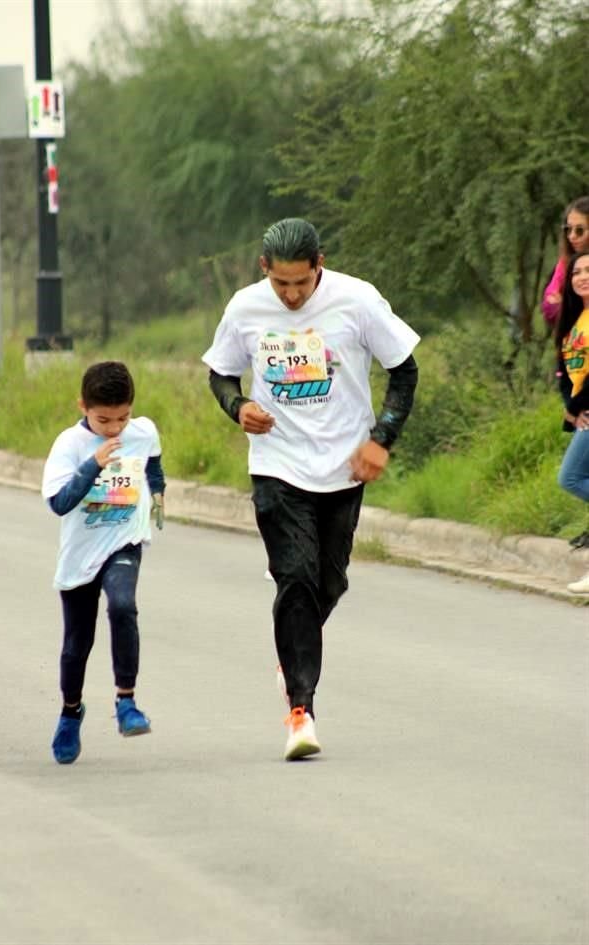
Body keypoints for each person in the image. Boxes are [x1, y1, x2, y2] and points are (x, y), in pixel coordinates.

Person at [202, 218, 420, 760]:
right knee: (295, 577)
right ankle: (301, 710)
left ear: (319, 264)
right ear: (264, 270)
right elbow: (221, 374)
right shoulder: (245, 308)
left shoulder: (358, 300)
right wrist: (239, 408)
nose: (293, 295)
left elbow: (405, 370)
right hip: (277, 464)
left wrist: (381, 439)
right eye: (282, 285)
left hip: (345, 466)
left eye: (302, 282)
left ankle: (292, 646)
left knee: (330, 581)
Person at [42, 361, 166, 763]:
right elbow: (60, 503)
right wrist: (94, 462)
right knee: (77, 645)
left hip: (124, 541)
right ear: (83, 406)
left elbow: (152, 458)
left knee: (124, 605)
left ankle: (126, 702)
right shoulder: (68, 445)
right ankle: (70, 712)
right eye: (103, 419)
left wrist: (159, 492)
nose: (115, 429)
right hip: (80, 555)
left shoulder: (142, 431)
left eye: (122, 418)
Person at [554, 252, 589, 594]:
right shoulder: (576, 320)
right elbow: (565, 371)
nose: (582, 276)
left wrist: (578, 406)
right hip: (582, 413)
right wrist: (570, 405)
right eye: (577, 271)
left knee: (572, 477)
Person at [542, 196, 589, 326]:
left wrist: (566, 304)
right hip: (575, 340)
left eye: (579, 230)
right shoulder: (565, 263)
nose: (572, 236)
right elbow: (549, 306)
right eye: (568, 229)